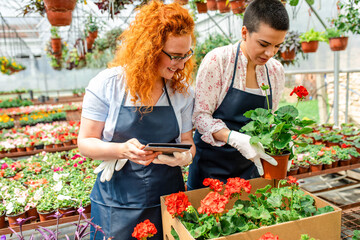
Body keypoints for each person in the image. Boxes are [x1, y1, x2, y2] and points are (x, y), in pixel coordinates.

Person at [77, 1, 196, 239]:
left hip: (168, 199)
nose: (182, 64)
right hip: (117, 203)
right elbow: (86, 142)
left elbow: (187, 141)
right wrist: (122, 149)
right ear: (150, 49)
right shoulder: (108, 84)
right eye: (174, 56)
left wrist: (185, 157)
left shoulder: (181, 92)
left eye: (186, 55)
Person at [187, 0, 289, 190]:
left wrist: (282, 143)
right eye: (264, 44)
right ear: (244, 33)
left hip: (250, 171)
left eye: (277, 46)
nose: (270, 53)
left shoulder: (275, 71)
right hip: (210, 171)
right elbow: (200, 117)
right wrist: (233, 137)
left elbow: (270, 119)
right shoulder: (218, 61)